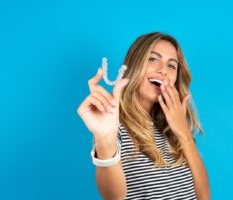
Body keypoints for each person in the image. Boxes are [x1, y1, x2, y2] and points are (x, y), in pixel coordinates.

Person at [77, 32, 210, 200]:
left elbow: (204, 196)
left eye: (171, 65)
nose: (163, 70)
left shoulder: (173, 127)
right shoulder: (113, 125)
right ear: (134, 65)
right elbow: (113, 196)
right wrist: (104, 138)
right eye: (153, 59)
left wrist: (184, 133)